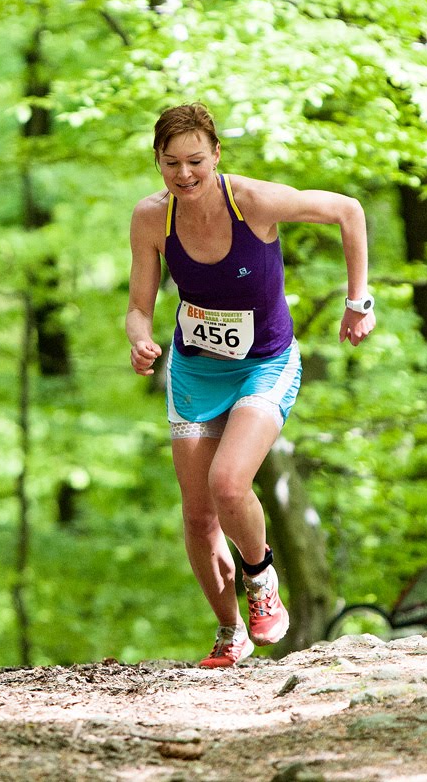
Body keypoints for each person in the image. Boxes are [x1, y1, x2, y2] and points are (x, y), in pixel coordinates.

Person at [126, 102, 375, 668]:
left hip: (265, 362)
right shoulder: (151, 219)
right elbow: (139, 307)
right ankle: (228, 630)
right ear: (158, 164)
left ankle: (261, 575)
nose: (184, 175)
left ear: (217, 155)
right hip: (195, 369)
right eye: (171, 164)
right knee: (197, 515)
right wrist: (139, 339)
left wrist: (358, 301)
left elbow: (348, 211)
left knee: (229, 483)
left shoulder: (253, 201)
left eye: (195, 161)